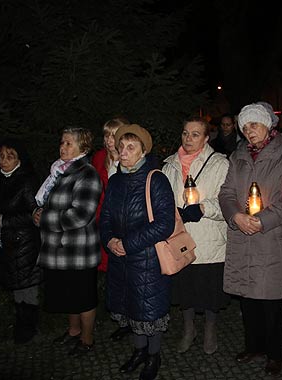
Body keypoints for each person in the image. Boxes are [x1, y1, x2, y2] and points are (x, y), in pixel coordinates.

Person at [219, 103, 282, 376]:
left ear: (268, 125)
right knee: (248, 298)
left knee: (271, 301)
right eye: (244, 127)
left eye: (254, 124)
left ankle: (276, 352)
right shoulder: (237, 156)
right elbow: (226, 193)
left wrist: (262, 220)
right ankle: (254, 345)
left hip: (270, 237)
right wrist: (236, 216)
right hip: (243, 235)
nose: (249, 131)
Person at [99, 124, 176, 380]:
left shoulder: (156, 179)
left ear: (143, 151)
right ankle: (139, 351)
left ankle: (154, 356)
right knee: (132, 308)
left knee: (149, 311)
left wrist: (128, 244)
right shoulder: (116, 180)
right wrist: (109, 240)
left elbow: (165, 224)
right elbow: (106, 216)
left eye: (130, 147)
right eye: (121, 146)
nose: (123, 151)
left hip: (148, 259)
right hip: (121, 260)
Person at [162, 116, 230, 355]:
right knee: (185, 291)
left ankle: (210, 330)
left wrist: (203, 208)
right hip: (180, 239)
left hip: (209, 240)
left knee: (210, 292)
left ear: (206, 137)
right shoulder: (169, 164)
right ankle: (189, 329)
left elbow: (229, 203)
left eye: (195, 134)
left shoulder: (219, 163)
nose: (188, 138)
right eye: (185, 133)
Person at [33, 128, 101, 356]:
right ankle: (73, 332)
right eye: (62, 142)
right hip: (58, 248)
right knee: (68, 296)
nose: (63, 147)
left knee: (83, 298)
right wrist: (37, 212)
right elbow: (49, 203)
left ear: (84, 148)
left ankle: (87, 339)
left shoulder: (87, 173)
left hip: (78, 250)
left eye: (69, 144)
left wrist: (45, 219)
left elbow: (80, 215)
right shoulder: (58, 172)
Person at [0, 138, 43, 344]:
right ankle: (22, 325)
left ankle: (29, 328)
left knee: (26, 287)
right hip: (5, 244)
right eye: (1, 156)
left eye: (10, 157)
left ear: (19, 158)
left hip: (24, 243)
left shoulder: (27, 180)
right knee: (16, 287)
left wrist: (5, 220)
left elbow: (34, 215)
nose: (4, 161)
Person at [91, 117, 133, 341]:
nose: (109, 140)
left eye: (114, 134)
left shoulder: (131, 159)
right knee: (111, 274)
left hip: (125, 224)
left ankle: (129, 318)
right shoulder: (98, 158)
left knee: (126, 272)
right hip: (102, 222)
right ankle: (119, 316)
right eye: (106, 135)